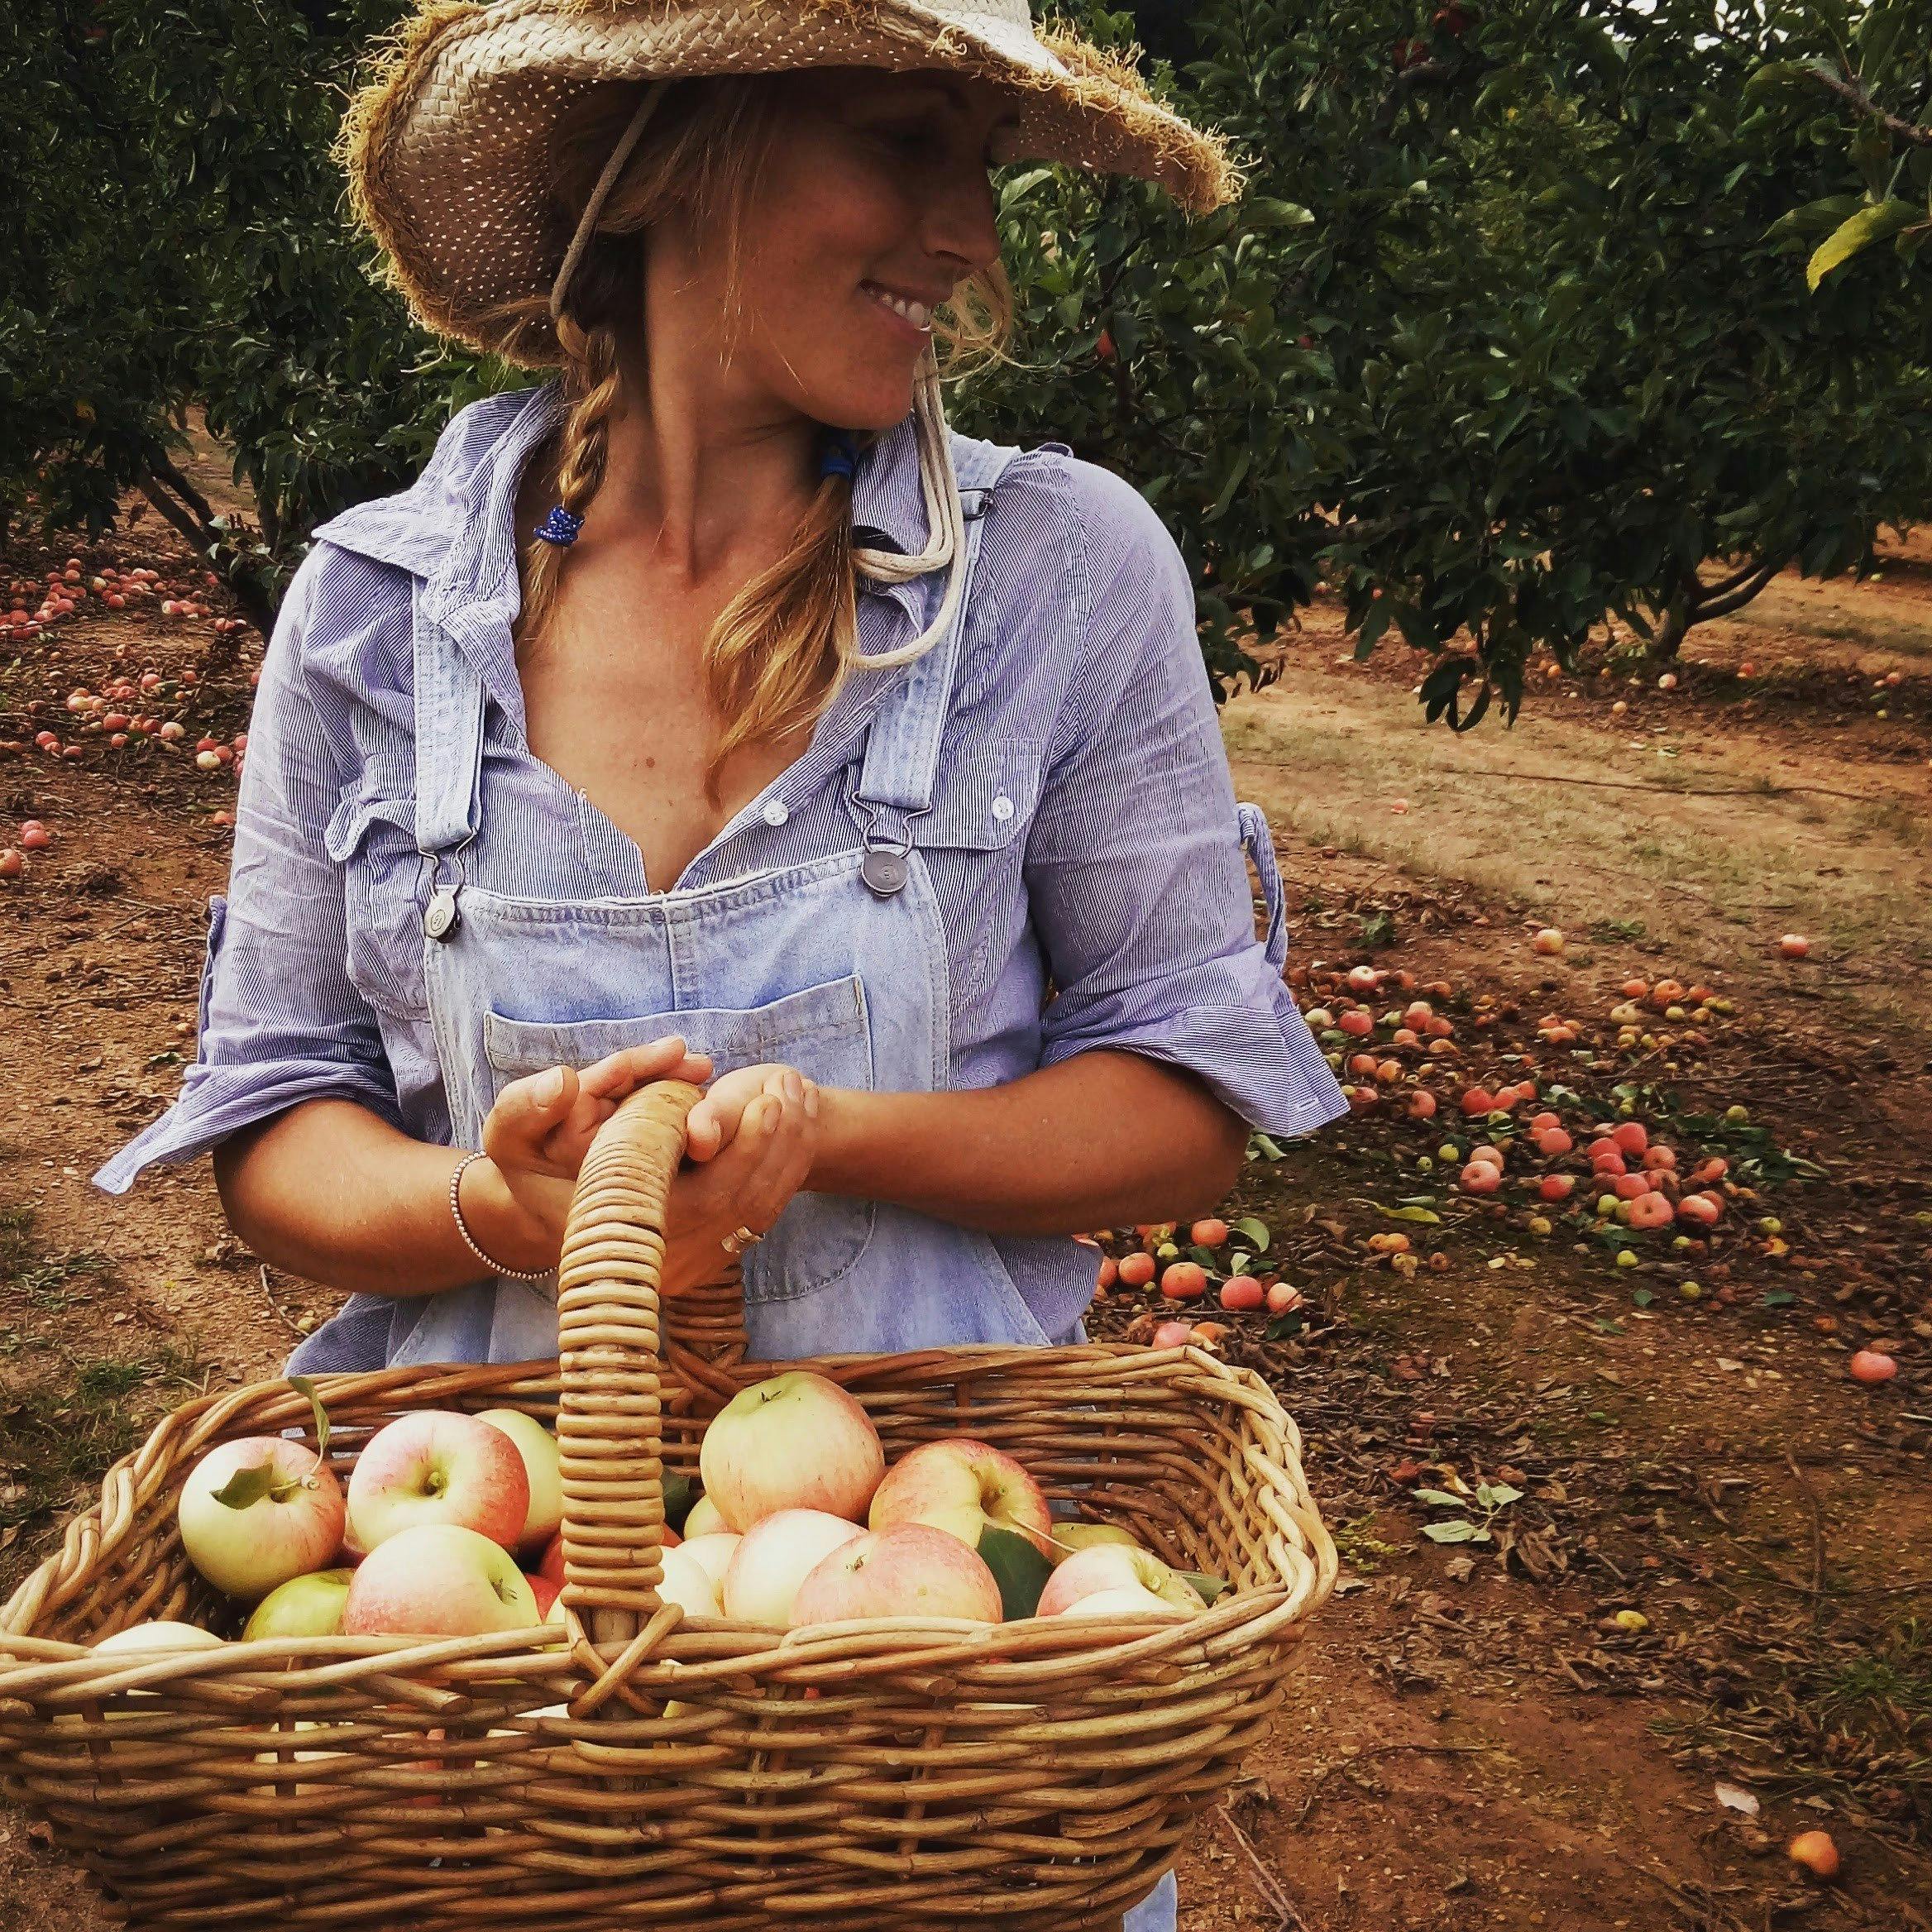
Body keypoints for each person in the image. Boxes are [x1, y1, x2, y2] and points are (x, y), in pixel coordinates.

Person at [92, 1, 1347, 1922]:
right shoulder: (368, 613)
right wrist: (504, 1208)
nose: (970, 241)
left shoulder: (1064, 579)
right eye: (899, 143)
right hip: (462, 1682)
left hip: (931, 1701)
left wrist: (827, 1133)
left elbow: (1185, 1110)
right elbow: (276, 1131)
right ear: (678, 149)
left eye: (983, 174)